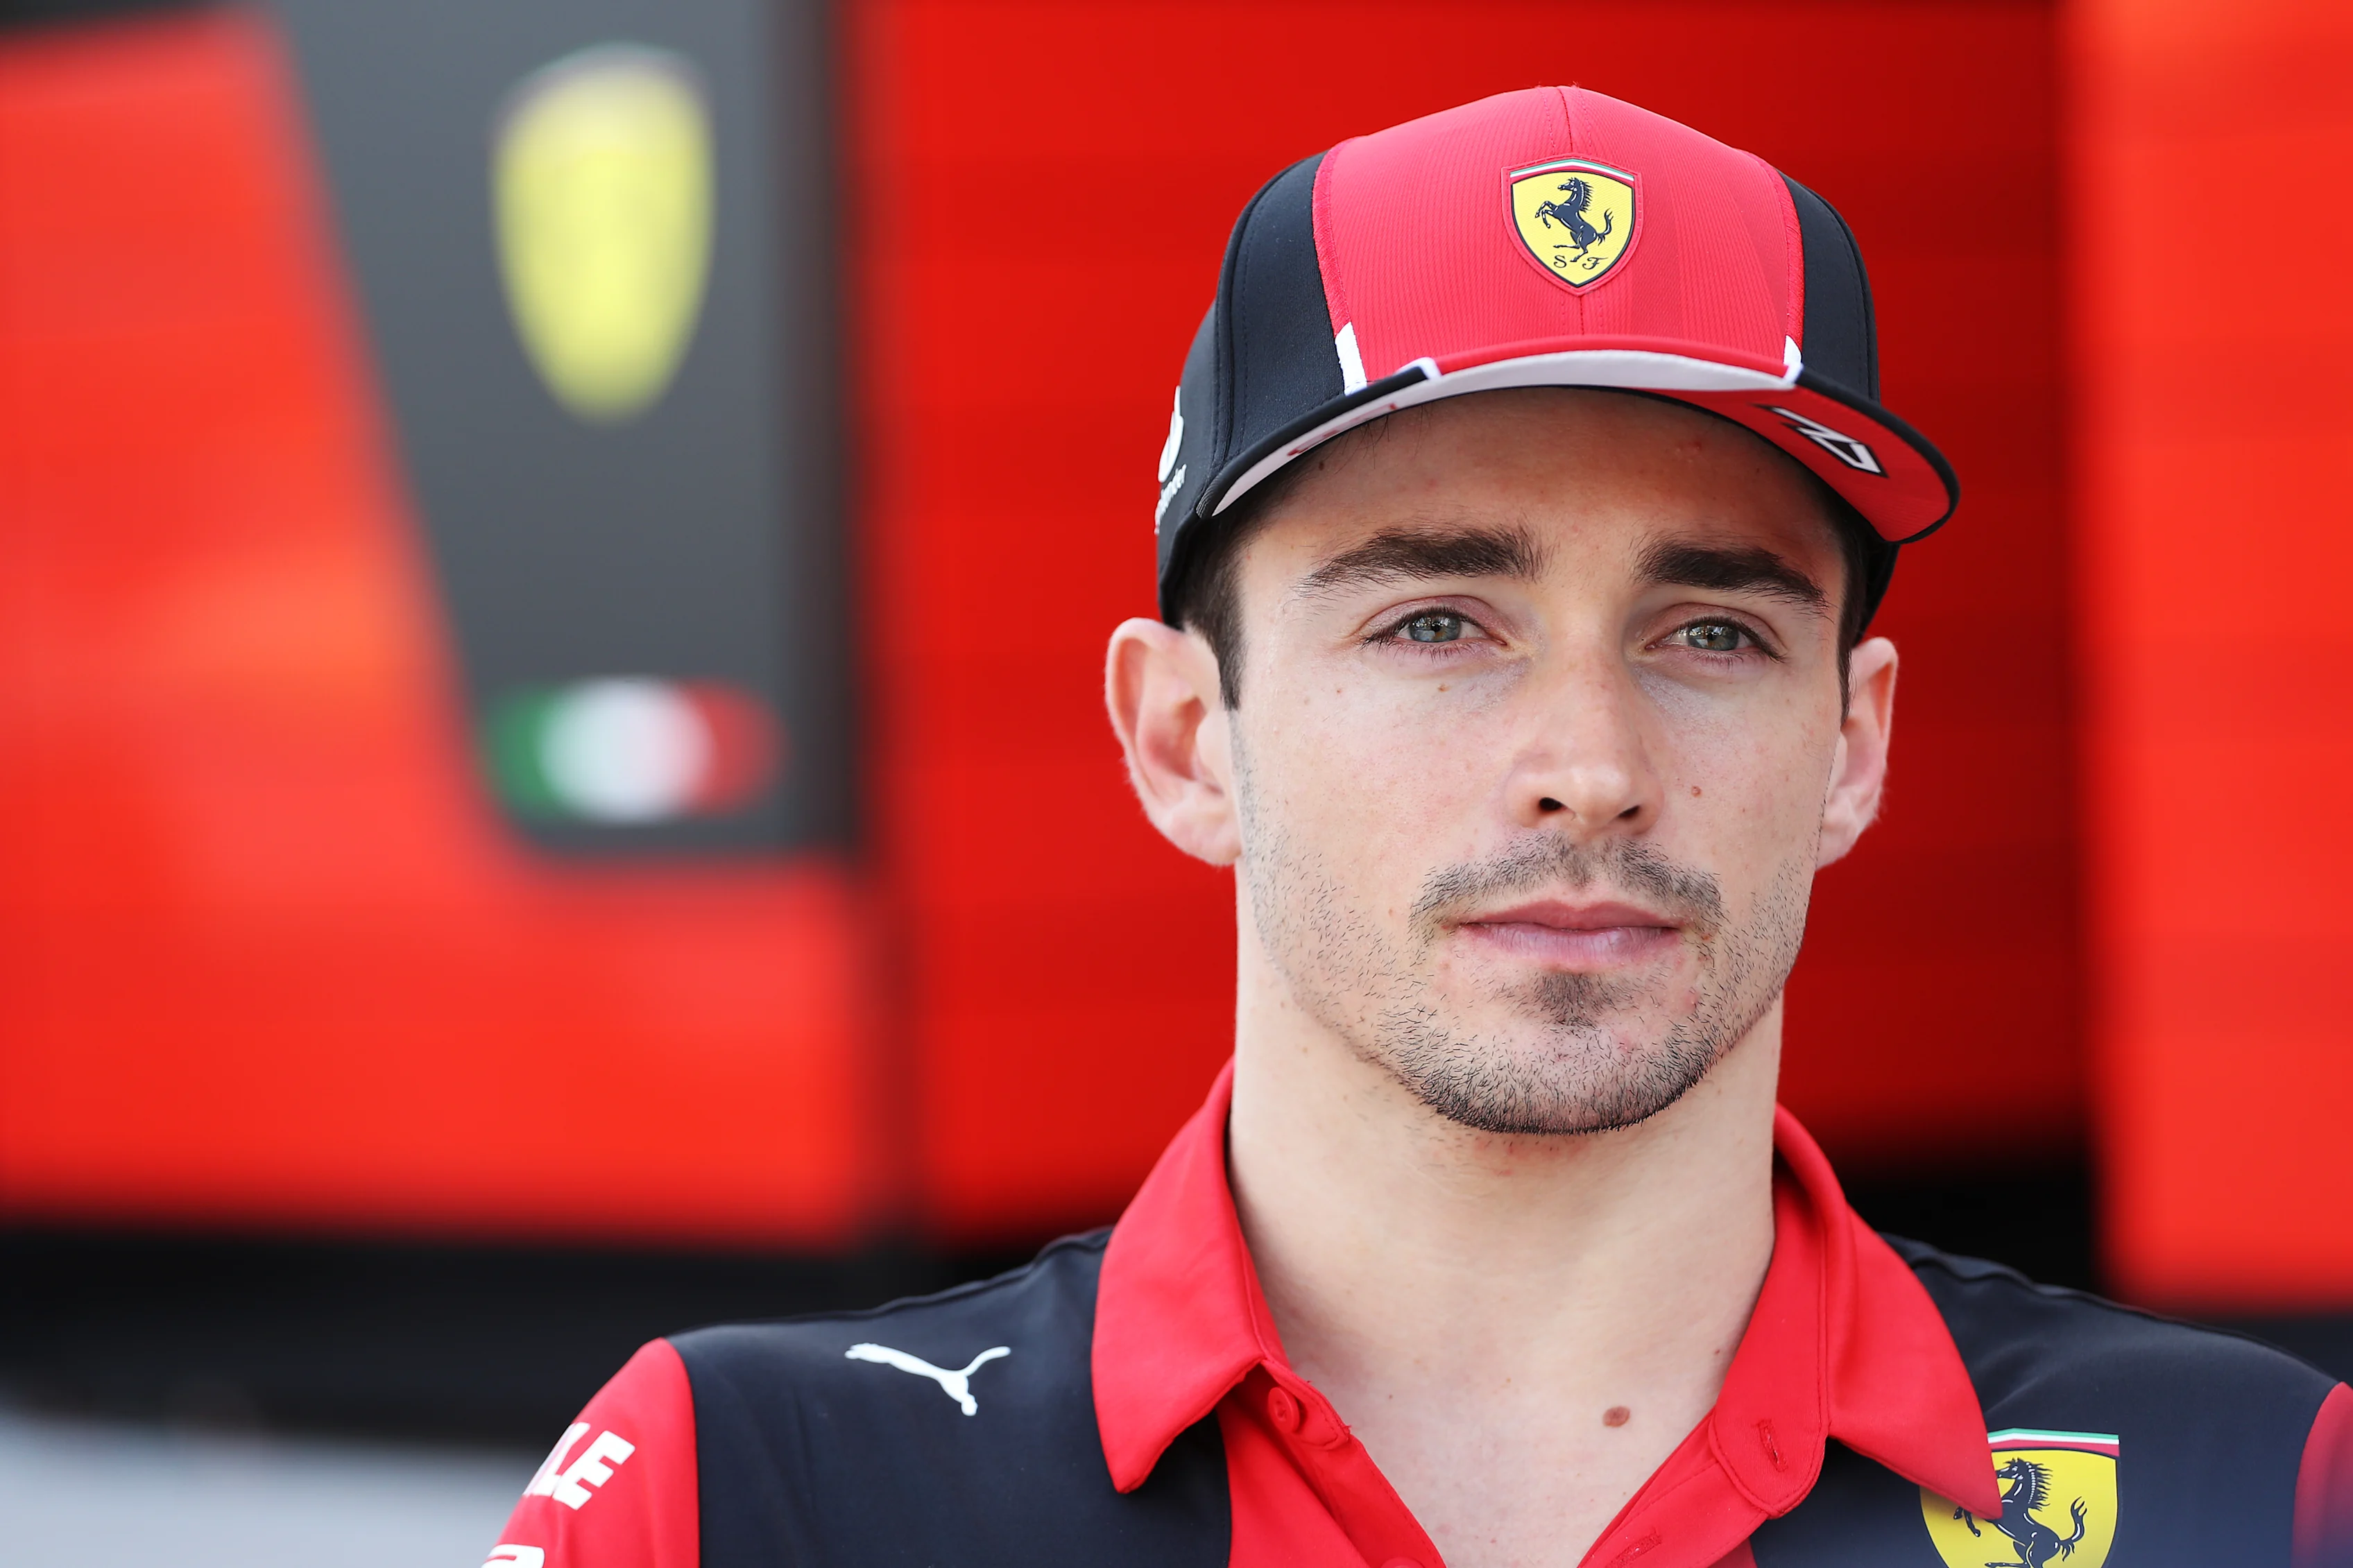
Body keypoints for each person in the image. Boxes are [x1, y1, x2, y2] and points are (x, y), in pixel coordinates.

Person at [485, 87, 2353, 1568]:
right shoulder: (749, 1498)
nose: (1591, 761)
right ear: (1185, 735)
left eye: (1712, 630)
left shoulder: (2259, 1490)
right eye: (1436, 621)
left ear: (1853, 742)